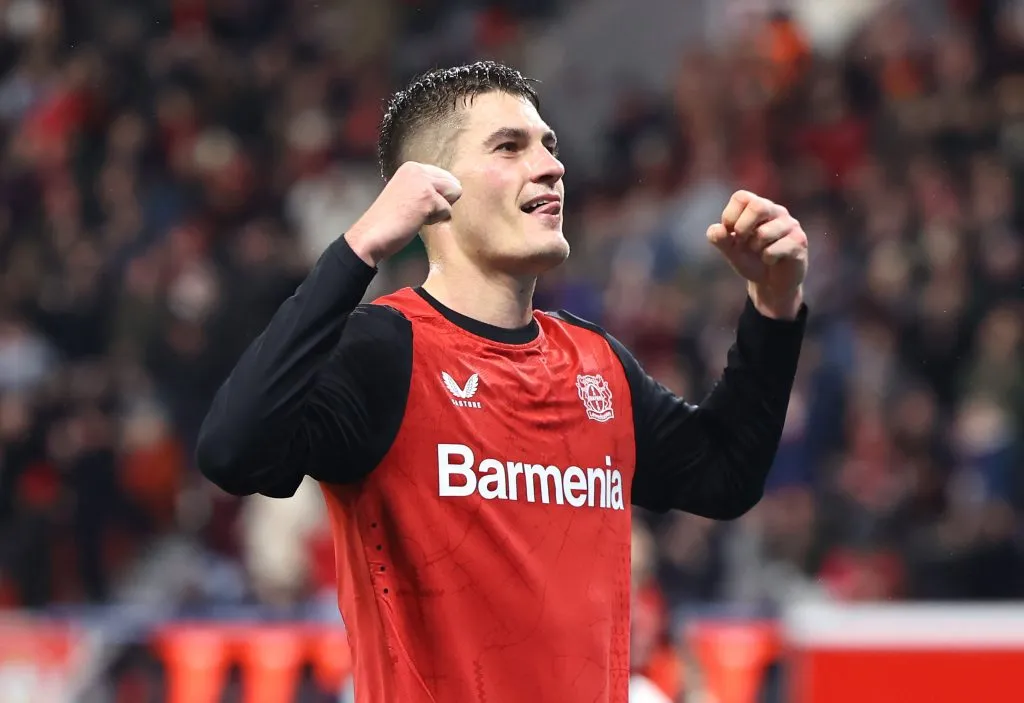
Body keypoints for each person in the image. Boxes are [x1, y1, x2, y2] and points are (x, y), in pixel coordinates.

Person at [196, 61, 808, 703]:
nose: (550, 166)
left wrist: (774, 305)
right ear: (433, 190)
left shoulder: (596, 364)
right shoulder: (385, 351)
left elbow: (726, 474)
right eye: (509, 147)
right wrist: (358, 250)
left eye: (549, 146)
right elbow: (233, 451)